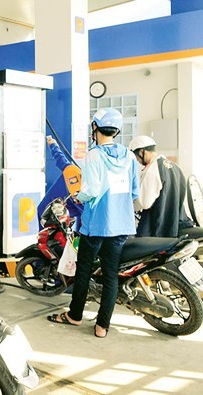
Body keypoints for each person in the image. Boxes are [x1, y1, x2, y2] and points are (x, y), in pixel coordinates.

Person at [47, 108, 139, 338]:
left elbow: (92, 190)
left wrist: (80, 196)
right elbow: (135, 191)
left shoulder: (94, 155)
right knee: (110, 274)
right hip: (120, 224)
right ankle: (102, 326)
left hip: (96, 224)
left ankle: (75, 316)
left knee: (84, 270)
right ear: (117, 130)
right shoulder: (129, 156)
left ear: (95, 128)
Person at [129, 135, 194, 237]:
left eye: (136, 156)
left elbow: (144, 203)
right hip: (175, 223)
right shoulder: (175, 167)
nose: (137, 160)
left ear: (142, 152)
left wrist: (131, 206)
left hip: (157, 227)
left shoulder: (153, 169)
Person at [37, 136, 84, 230]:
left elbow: (60, 158)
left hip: (65, 213)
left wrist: (53, 144)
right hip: (51, 213)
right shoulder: (73, 174)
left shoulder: (73, 171)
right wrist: (53, 145)